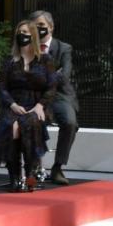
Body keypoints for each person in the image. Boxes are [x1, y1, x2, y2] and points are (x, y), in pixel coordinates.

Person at [0, 20, 57, 193]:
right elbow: (1, 87)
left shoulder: (45, 60)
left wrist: (40, 105)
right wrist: (13, 104)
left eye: (25, 31)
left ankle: (30, 174)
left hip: (36, 105)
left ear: (33, 35)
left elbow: (52, 87)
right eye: (19, 32)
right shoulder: (9, 61)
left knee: (27, 125)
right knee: (12, 126)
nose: (21, 35)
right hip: (13, 105)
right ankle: (15, 176)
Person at [30, 10, 79, 186]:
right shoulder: (28, 46)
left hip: (59, 95)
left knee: (69, 122)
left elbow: (64, 74)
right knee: (32, 119)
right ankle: (34, 164)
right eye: (35, 26)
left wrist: (41, 77)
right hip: (34, 94)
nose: (38, 29)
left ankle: (58, 167)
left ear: (51, 27)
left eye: (41, 26)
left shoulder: (64, 48)